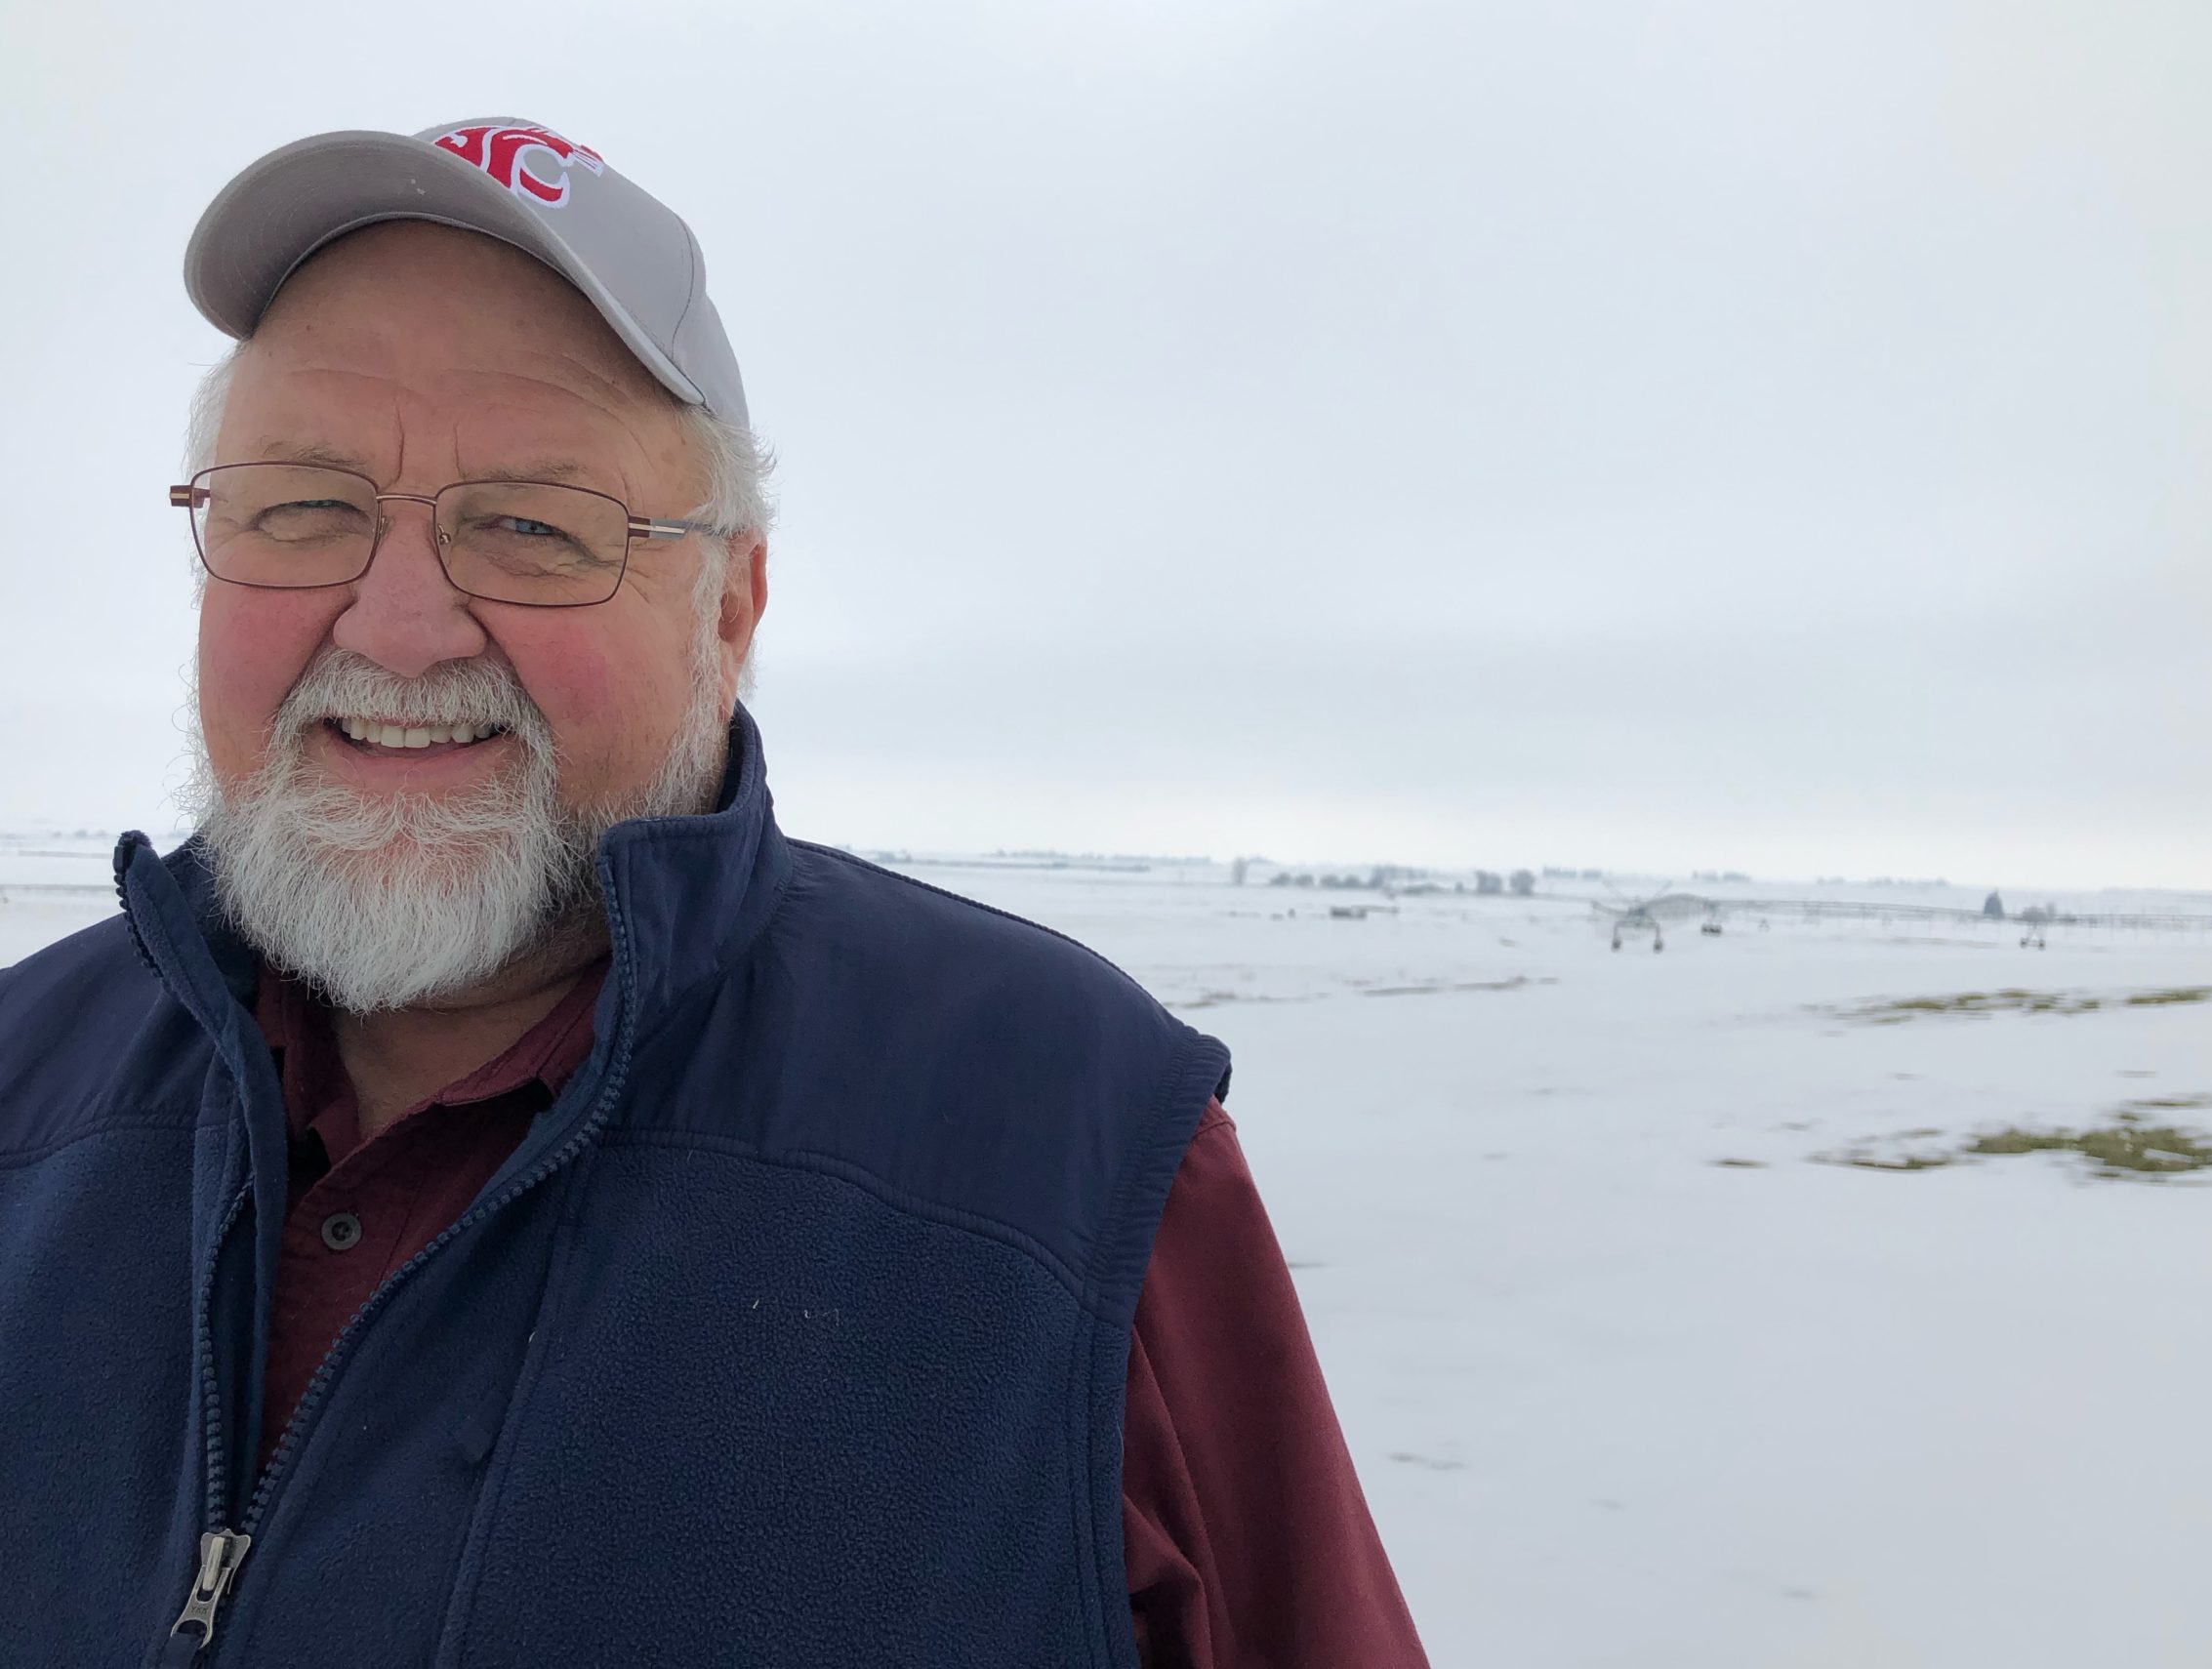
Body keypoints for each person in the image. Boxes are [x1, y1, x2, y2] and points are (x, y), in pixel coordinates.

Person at [0, 119, 1429, 1667]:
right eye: (301, 506)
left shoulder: (1069, 1149)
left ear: (730, 610)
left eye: (535, 526)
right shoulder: (23, 1095)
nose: (401, 629)